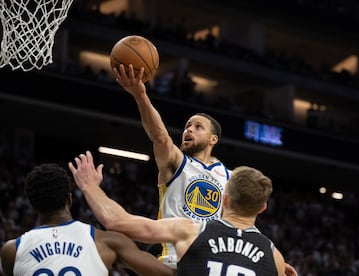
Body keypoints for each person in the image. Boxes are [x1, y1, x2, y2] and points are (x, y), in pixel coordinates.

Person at [68, 150, 298, 276]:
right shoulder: (274, 257)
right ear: (263, 207)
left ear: (224, 199)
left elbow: (116, 221)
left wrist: (89, 186)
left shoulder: (191, 230)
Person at [114, 64, 231, 266]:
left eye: (197, 127)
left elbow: (241, 222)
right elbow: (160, 137)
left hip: (210, 265)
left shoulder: (229, 176)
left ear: (213, 140)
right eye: (187, 126)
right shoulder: (177, 162)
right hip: (172, 262)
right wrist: (141, 95)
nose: (189, 130)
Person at [0, 163, 174, 276]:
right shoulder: (106, 242)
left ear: (32, 205)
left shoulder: (11, 251)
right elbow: (166, 274)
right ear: (69, 199)